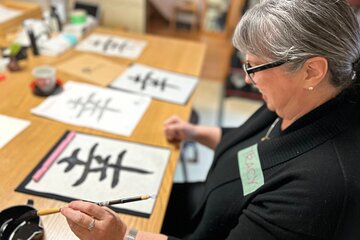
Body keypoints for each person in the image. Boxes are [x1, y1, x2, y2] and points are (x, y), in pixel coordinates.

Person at [61, 0, 360, 239]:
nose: (246, 77)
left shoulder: (319, 188)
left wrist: (123, 237)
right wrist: (195, 132)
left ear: (311, 71)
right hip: (207, 203)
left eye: (255, 66)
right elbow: (256, 143)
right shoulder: (307, 96)